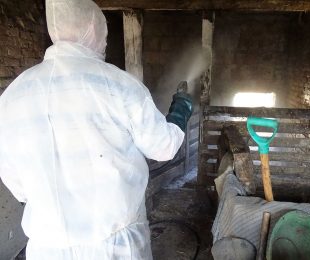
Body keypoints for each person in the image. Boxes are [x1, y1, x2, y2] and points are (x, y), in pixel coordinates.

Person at [0, 0, 192, 259]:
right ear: (92, 27)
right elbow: (164, 147)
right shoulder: (118, 84)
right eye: (105, 35)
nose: (105, 43)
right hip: (115, 246)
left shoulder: (12, 96)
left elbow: (17, 185)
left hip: (46, 248)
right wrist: (180, 110)